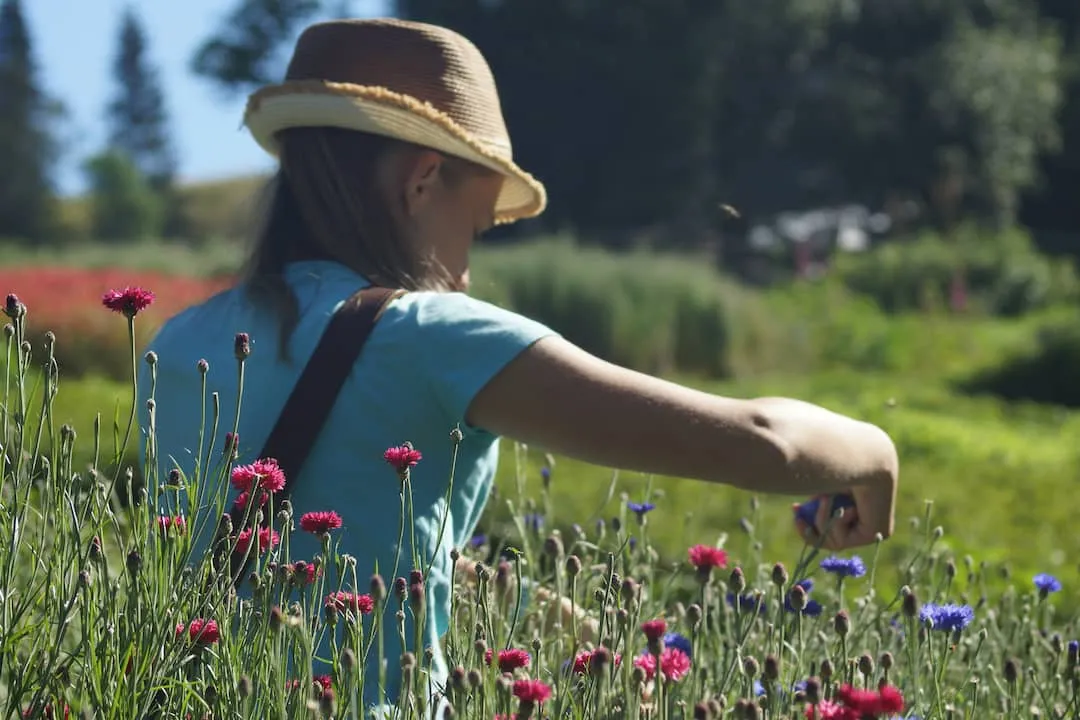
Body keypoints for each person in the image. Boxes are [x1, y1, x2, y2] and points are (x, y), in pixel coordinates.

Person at [142, 17, 899, 715]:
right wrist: (876, 456)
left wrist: (514, 593)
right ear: (420, 180)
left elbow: (308, 535)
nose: (468, 271)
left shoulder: (174, 343)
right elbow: (761, 440)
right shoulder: (427, 333)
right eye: (475, 225)